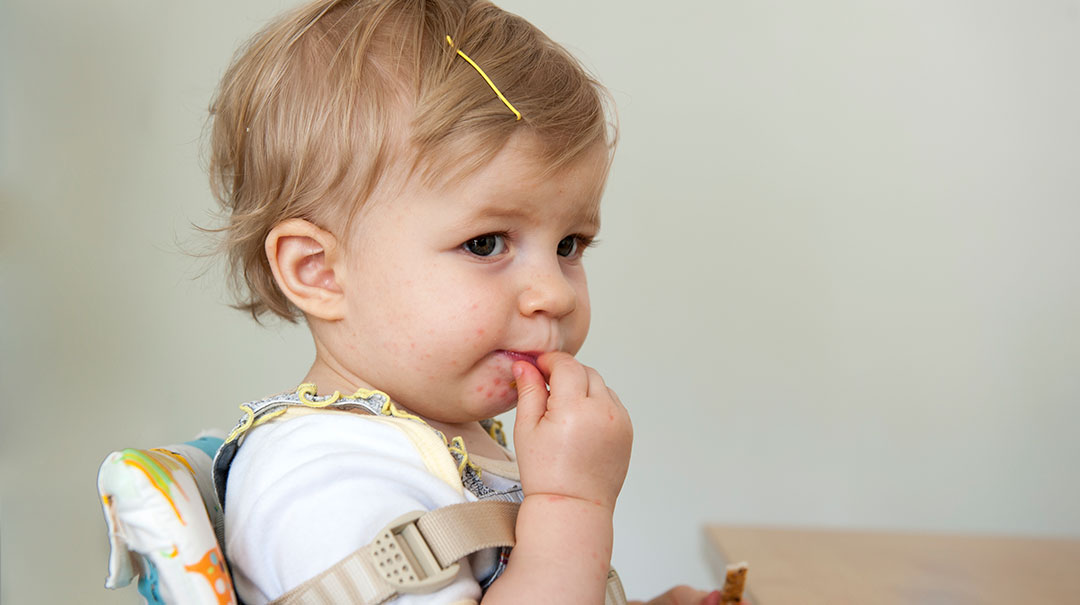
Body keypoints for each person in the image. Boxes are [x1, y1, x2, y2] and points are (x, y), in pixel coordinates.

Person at [206, 0, 725, 603]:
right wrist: (570, 507)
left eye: (569, 244)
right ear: (320, 272)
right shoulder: (324, 480)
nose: (555, 294)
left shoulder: (436, 444)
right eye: (485, 243)